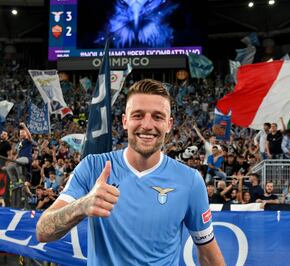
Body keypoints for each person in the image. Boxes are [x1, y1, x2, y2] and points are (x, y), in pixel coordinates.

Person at [36, 79, 224, 265]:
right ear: (125, 121)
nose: (147, 125)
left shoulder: (189, 181)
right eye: (138, 115)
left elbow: (208, 254)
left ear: (169, 124)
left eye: (158, 117)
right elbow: (43, 231)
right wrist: (81, 206)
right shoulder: (93, 167)